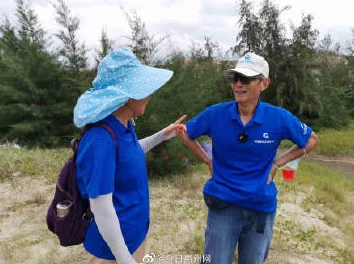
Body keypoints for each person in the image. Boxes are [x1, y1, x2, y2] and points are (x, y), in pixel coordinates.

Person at [177, 52, 319, 264]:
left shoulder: (278, 117)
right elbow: (186, 133)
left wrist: (277, 163)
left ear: (264, 83)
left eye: (246, 79)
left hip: (260, 206)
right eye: (235, 79)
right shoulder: (215, 114)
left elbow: (311, 140)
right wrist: (208, 160)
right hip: (223, 204)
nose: (238, 85)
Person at [73, 47, 186, 264]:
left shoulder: (124, 124)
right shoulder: (100, 139)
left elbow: (130, 154)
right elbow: (100, 206)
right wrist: (124, 258)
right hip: (113, 251)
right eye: (144, 89)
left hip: (133, 237)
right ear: (127, 97)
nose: (149, 95)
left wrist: (163, 135)